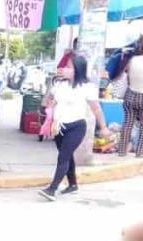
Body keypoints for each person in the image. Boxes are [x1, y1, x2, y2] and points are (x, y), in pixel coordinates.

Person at [39, 55, 111, 201]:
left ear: (78, 69)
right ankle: (73, 185)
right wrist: (50, 93)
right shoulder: (59, 85)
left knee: (63, 156)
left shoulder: (87, 88)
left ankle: (52, 189)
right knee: (67, 156)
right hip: (59, 126)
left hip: (77, 126)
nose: (65, 69)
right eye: (65, 66)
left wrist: (103, 127)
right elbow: (46, 102)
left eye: (69, 67)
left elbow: (96, 109)